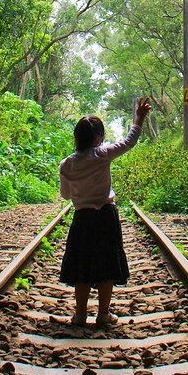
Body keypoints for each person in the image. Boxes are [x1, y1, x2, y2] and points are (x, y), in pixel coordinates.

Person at [58, 97, 152, 327]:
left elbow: (66, 195)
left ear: (76, 138)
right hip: (106, 217)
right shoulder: (103, 154)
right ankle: (103, 314)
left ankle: (80, 315)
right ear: (99, 138)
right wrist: (139, 119)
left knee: (81, 265)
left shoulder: (66, 164)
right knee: (107, 264)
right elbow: (129, 142)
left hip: (82, 218)